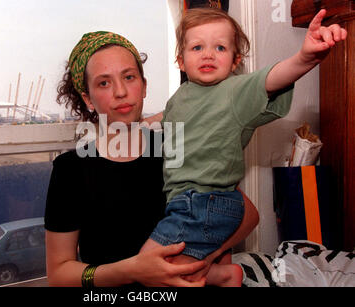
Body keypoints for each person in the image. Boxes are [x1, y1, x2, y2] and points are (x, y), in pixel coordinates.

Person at [139, 8, 347, 287]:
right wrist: (143, 122)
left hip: (204, 200)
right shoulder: (181, 97)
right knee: (181, 269)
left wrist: (305, 57)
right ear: (181, 60)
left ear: (235, 60)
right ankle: (224, 276)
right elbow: (170, 117)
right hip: (184, 202)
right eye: (197, 47)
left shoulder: (234, 91)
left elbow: (273, 78)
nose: (208, 54)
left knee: (147, 268)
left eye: (220, 47)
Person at [44, 31, 259, 287]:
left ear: (144, 86)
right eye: (104, 83)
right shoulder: (71, 169)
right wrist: (133, 271)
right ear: (87, 98)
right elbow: (59, 275)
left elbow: (248, 216)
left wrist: (196, 260)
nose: (121, 91)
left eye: (129, 77)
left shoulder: (179, 146)